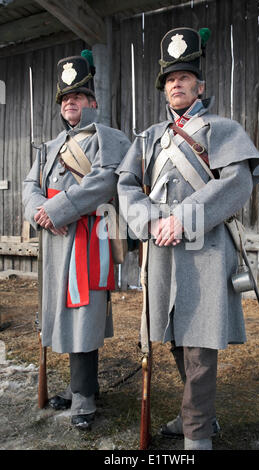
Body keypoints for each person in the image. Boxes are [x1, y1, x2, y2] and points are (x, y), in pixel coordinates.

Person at [116, 27, 259, 450]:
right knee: (173, 337)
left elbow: (237, 184)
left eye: (184, 77)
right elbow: (126, 187)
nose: (176, 84)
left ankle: (197, 436)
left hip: (205, 249)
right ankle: (198, 416)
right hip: (161, 250)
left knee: (200, 344)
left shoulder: (221, 129)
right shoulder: (148, 138)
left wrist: (182, 219)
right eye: (170, 79)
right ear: (164, 90)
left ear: (200, 85)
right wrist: (148, 221)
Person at [23, 51, 130, 430]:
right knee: (59, 313)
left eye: (78, 96)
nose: (70, 101)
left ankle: (84, 397)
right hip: (54, 241)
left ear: (92, 102)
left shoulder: (109, 138)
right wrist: (41, 212)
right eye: (65, 97)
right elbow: (30, 186)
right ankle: (77, 386)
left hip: (87, 238)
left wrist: (58, 210)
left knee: (83, 312)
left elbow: (105, 182)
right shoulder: (49, 148)